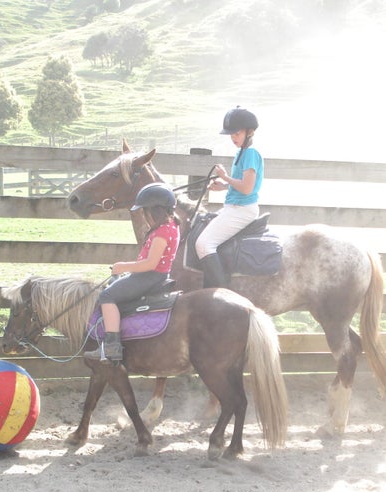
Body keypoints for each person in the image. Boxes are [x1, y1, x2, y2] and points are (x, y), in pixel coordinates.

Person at [85, 182, 180, 362]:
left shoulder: (162, 233)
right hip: (154, 275)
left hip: (149, 276)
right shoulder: (172, 226)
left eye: (144, 211)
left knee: (107, 296)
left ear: (155, 211)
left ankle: (111, 346)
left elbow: (151, 263)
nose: (143, 216)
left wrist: (123, 267)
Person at [196, 106, 263, 288]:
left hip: (242, 210)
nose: (233, 137)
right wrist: (224, 185)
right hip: (234, 207)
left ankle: (222, 292)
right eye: (231, 134)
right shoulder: (242, 152)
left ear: (249, 132)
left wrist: (225, 177)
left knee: (203, 244)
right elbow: (241, 183)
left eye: (237, 133)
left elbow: (247, 188)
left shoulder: (250, 153)